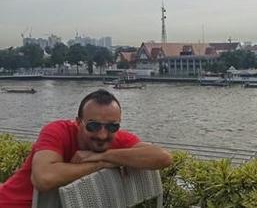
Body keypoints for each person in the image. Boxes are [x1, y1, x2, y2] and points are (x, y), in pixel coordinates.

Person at [0, 89, 172, 208]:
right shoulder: (56, 131)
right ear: (78, 122)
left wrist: (103, 156)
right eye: (93, 126)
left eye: (112, 127)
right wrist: (101, 163)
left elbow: (163, 157)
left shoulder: (116, 141)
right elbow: (44, 178)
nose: (103, 135)